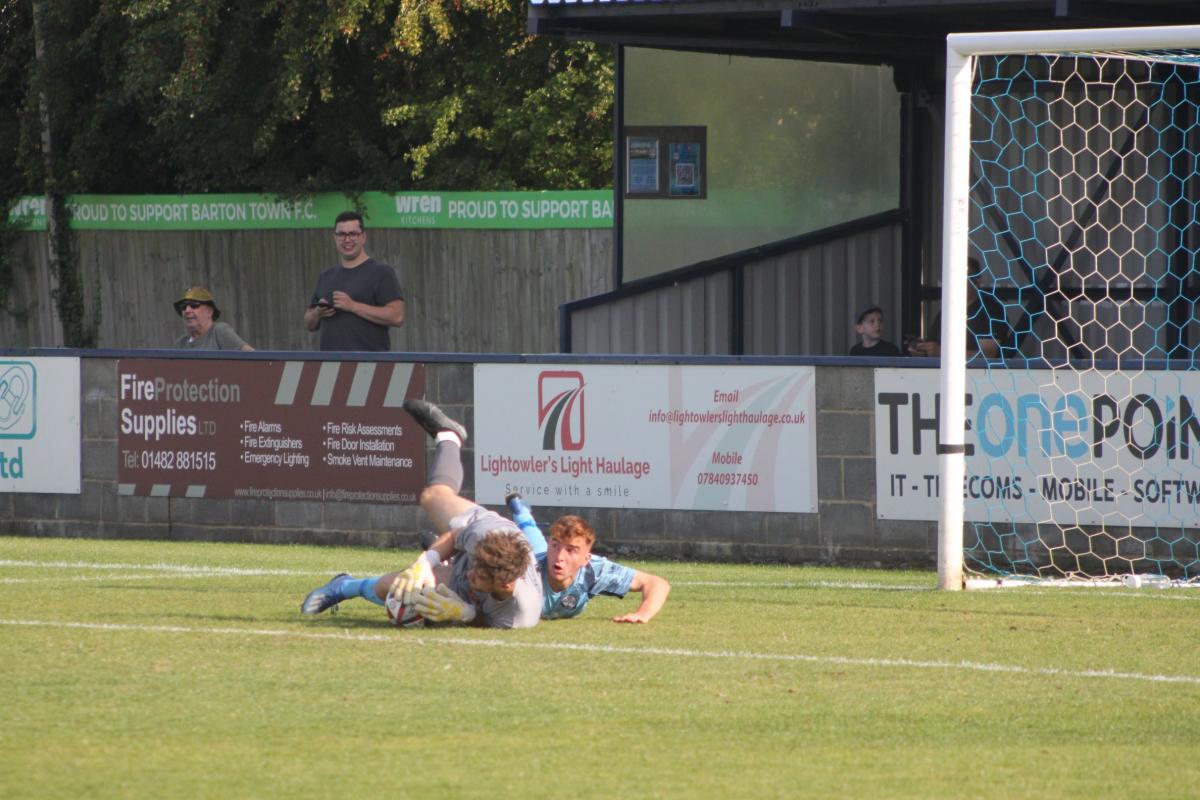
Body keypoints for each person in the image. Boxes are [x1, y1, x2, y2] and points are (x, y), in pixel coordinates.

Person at [300, 399, 542, 629]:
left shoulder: (521, 613)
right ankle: (449, 436)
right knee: (433, 497)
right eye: (475, 566)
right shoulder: (484, 535)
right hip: (480, 527)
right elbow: (455, 535)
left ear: (505, 585)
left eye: (478, 575)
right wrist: (425, 564)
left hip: (474, 588)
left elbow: (492, 619)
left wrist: (465, 613)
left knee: (394, 590)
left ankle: (344, 585)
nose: (471, 573)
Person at [507, 494, 671, 624]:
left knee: (537, 541)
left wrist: (643, 614)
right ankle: (520, 512)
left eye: (571, 550)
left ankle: (521, 511)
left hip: (543, 553)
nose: (560, 557)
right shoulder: (528, 568)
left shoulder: (593, 570)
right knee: (529, 540)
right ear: (550, 543)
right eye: (555, 545)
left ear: (586, 559)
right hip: (536, 555)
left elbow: (657, 583)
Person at [304, 211, 405, 351]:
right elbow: (309, 324)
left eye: (353, 234)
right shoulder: (326, 276)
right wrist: (317, 313)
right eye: (341, 234)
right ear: (335, 238)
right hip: (330, 363)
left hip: (369, 362)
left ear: (363, 237)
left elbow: (397, 316)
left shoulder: (381, 272)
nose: (347, 239)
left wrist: (353, 306)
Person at [173, 286, 253, 351]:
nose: (187, 310)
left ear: (209, 311)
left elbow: (252, 358)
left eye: (194, 305)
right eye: (183, 306)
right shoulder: (180, 344)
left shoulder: (219, 332)